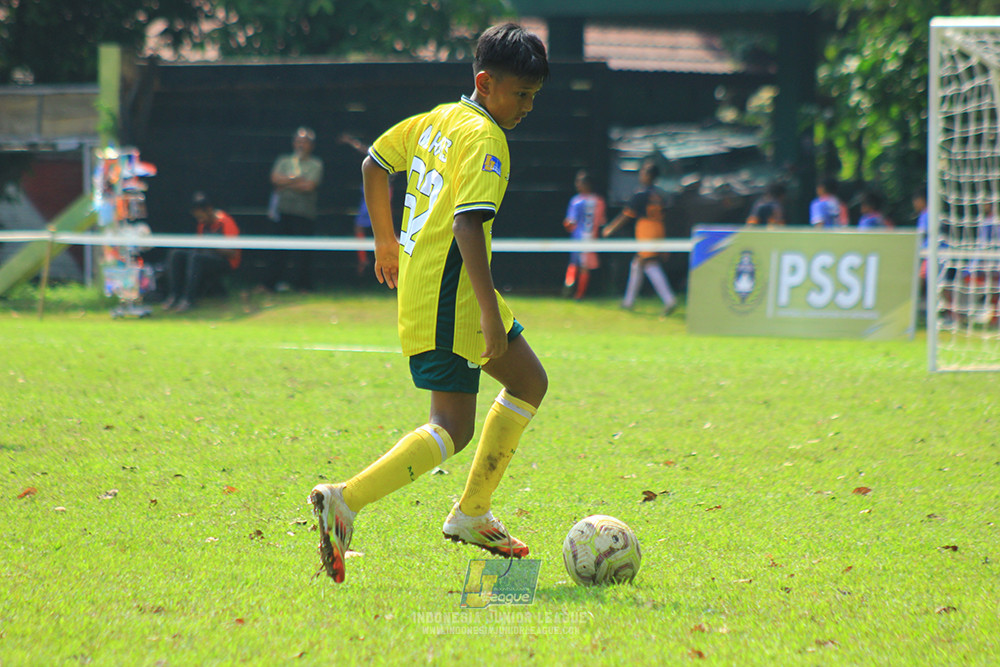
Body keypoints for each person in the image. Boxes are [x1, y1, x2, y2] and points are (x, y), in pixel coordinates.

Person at [309, 23, 550, 584]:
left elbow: (373, 163)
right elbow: (468, 222)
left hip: (438, 289)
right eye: (520, 94)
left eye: (534, 97)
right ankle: (346, 500)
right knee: (451, 425)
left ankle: (471, 512)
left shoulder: (437, 119)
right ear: (485, 82)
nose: (527, 107)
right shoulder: (487, 139)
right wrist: (488, 313)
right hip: (454, 297)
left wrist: (385, 239)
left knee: (529, 382)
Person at [601, 159, 678, 315]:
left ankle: (669, 300)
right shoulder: (659, 195)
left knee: (649, 264)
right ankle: (628, 302)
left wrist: (610, 228)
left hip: (647, 232)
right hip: (658, 230)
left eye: (643, 172)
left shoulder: (641, 194)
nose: (641, 175)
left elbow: (626, 215)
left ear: (649, 176)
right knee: (637, 265)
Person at [161, 192, 241, 313]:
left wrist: (213, 245)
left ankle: (188, 300)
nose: (200, 220)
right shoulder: (202, 225)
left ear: (209, 210)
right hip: (206, 257)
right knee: (176, 254)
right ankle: (174, 295)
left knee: (195, 258)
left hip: (226, 262)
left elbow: (233, 254)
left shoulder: (226, 222)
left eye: (201, 217)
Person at [269, 126, 323, 291]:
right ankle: (271, 284)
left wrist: (286, 182)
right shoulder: (283, 160)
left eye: (305, 142)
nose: (301, 145)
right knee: (278, 251)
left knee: (303, 252)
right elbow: (275, 179)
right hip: (283, 211)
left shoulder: (316, 164)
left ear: (311, 145)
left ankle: (303, 286)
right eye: (298, 141)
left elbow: (309, 185)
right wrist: (296, 179)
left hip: (303, 214)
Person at [561, 169, 606, 299]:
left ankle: (570, 287)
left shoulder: (576, 201)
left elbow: (571, 222)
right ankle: (579, 294)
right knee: (584, 267)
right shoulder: (599, 201)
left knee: (574, 264)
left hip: (578, 237)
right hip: (592, 238)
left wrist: (567, 224)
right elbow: (601, 220)